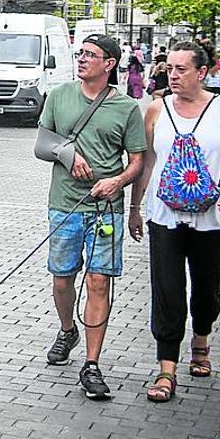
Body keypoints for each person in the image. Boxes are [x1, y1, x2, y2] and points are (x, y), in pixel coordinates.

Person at [38, 34, 145, 400]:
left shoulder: (127, 108)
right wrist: (68, 155)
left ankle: (92, 364)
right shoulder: (60, 95)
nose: (81, 59)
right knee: (63, 280)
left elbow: (137, 161)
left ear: (110, 64)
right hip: (64, 205)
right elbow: (42, 144)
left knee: (99, 282)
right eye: (80, 53)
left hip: (105, 209)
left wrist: (117, 182)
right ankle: (68, 329)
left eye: (90, 55)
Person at [131, 42, 220, 403]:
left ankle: (201, 338)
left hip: (213, 217)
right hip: (165, 216)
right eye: (169, 68)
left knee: (206, 287)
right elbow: (147, 162)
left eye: (181, 69)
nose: (172, 75)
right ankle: (166, 367)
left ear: (201, 73)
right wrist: (136, 207)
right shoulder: (157, 109)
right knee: (167, 290)